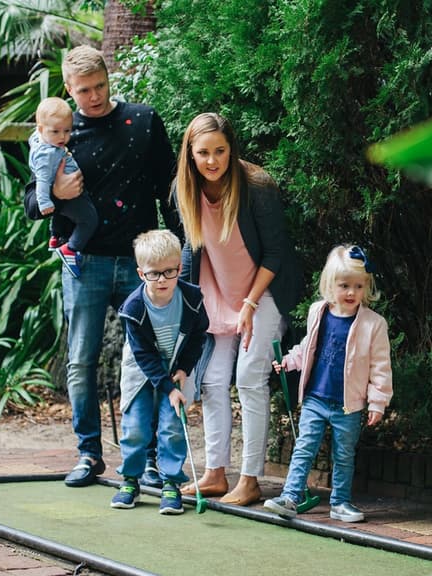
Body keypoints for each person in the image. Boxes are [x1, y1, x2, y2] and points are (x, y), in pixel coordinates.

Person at [23, 45, 180, 488]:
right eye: (83, 91)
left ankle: (149, 460)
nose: (92, 97)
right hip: (84, 262)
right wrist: (58, 192)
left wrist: (180, 252)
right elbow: (31, 205)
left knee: (150, 358)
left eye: (100, 87)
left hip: (141, 263)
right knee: (80, 361)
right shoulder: (57, 134)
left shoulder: (143, 122)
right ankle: (89, 455)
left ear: (109, 80)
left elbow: (169, 186)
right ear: (69, 90)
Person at [174, 112, 303, 506]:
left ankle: (250, 479)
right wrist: (182, 299)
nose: (212, 161)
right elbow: (191, 247)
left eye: (220, 151)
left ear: (232, 149)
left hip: (263, 292)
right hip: (218, 291)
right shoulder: (184, 189)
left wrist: (249, 303)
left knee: (248, 376)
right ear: (190, 156)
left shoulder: (256, 187)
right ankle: (215, 473)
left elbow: (277, 253)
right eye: (203, 153)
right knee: (213, 380)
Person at [263, 244, 393, 523]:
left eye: (358, 286)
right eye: (344, 285)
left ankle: (340, 502)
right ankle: (290, 496)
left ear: (366, 287)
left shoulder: (374, 324)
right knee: (304, 447)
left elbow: (380, 367)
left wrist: (377, 402)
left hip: (349, 403)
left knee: (344, 454)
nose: (351, 292)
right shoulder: (318, 312)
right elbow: (307, 346)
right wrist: (289, 361)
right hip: (316, 397)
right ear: (330, 284)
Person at [110, 229, 208, 514]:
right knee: (136, 427)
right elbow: (144, 355)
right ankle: (130, 480)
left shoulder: (191, 299)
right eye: (154, 274)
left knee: (171, 427)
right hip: (141, 369)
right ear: (141, 274)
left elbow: (198, 335)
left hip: (175, 369)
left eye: (169, 272)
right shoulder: (133, 308)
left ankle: (170, 484)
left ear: (179, 268)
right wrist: (167, 387)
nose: (162, 279)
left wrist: (183, 369)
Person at [28, 96, 98, 278]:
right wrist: (45, 201)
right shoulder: (47, 155)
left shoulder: (39, 140)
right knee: (89, 219)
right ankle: (71, 248)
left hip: (64, 191)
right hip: (69, 193)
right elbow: (42, 180)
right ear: (41, 129)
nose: (63, 137)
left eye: (67, 131)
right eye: (56, 132)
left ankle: (55, 235)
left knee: (62, 212)